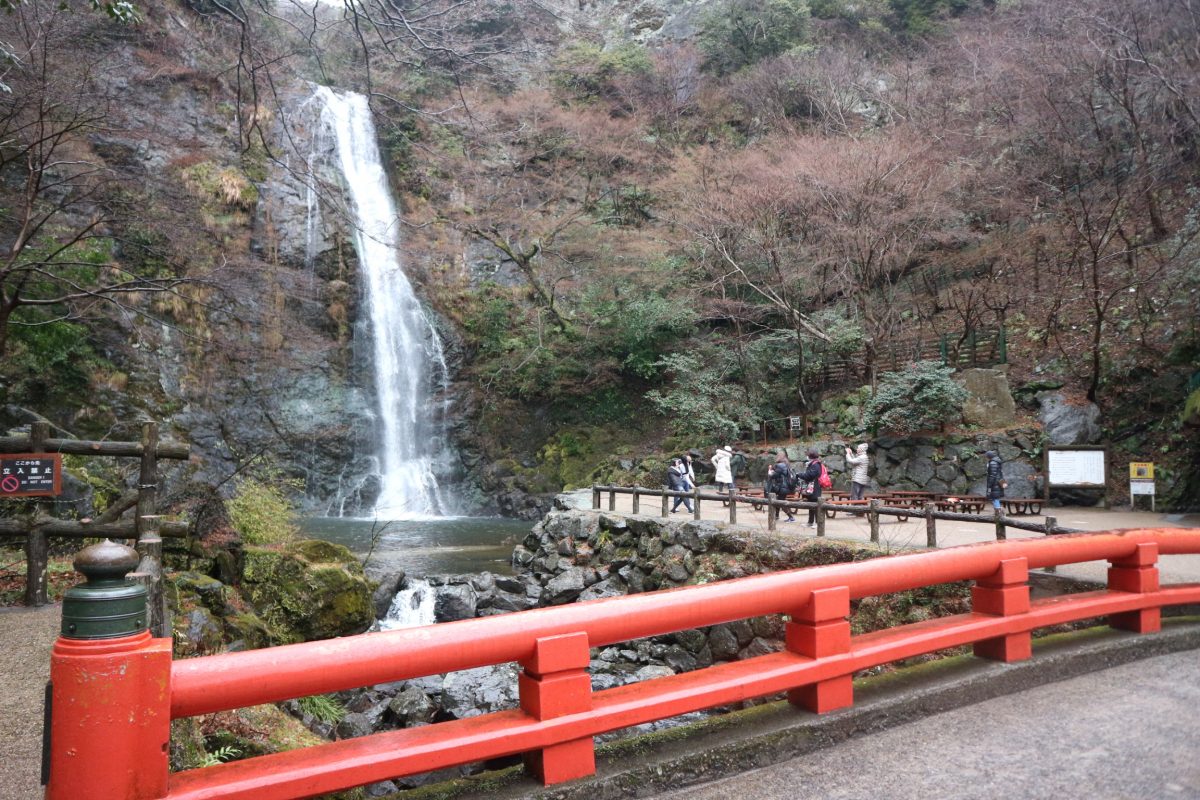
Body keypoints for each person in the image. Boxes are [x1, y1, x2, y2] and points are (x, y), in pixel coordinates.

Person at [797, 449, 825, 528]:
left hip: (815, 487)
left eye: (808, 455)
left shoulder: (815, 465)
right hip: (812, 487)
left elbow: (809, 475)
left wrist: (800, 474)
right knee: (811, 506)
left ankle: (817, 523)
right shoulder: (813, 464)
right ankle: (810, 522)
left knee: (816, 506)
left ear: (810, 456)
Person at [766, 451, 796, 522]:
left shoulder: (780, 465)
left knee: (780, 502)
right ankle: (776, 516)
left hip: (782, 487)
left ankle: (791, 517)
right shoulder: (786, 464)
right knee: (778, 500)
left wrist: (770, 471)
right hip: (785, 487)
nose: (776, 457)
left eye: (777, 456)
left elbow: (774, 475)